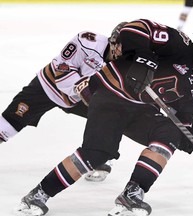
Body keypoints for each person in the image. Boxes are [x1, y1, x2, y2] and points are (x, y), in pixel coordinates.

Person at [15, 19, 193, 216]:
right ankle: (39, 194)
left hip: (139, 110)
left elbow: (181, 123)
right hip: (111, 94)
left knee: (169, 133)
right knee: (96, 154)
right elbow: (134, 29)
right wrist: (144, 60)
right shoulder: (180, 44)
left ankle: (132, 194)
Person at [0, 22, 128, 181]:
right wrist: (83, 89)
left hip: (81, 98)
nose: (123, 52)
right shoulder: (87, 41)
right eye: (122, 46)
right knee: (9, 123)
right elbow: (62, 69)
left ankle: (100, 155)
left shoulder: (128, 64)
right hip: (49, 86)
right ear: (113, 40)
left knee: (113, 115)